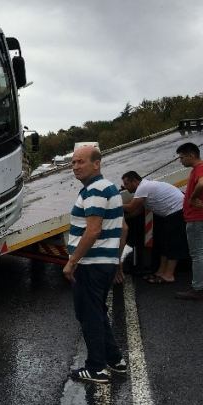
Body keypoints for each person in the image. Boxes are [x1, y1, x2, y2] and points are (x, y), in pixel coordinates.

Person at [64, 146, 128, 384]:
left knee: (88, 315)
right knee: (97, 313)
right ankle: (115, 360)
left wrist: (72, 262)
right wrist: (116, 261)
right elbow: (123, 229)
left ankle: (96, 368)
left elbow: (93, 230)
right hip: (104, 262)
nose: (76, 167)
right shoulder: (108, 188)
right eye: (73, 163)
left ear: (96, 164)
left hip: (91, 264)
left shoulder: (95, 190)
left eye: (81, 162)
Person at [121, 171, 188, 283]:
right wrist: (122, 218)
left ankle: (169, 275)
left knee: (173, 243)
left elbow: (130, 207)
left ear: (135, 181)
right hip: (169, 213)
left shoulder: (143, 187)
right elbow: (138, 211)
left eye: (127, 184)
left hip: (177, 211)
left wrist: (113, 203)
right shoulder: (144, 188)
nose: (125, 187)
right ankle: (160, 272)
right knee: (164, 243)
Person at [174, 142, 203, 300]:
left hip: (198, 218)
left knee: (198, 254)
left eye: (182, 157)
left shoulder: (200, 169)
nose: (181, 160)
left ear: (191, 156)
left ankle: (197, 289)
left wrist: (192, 198)